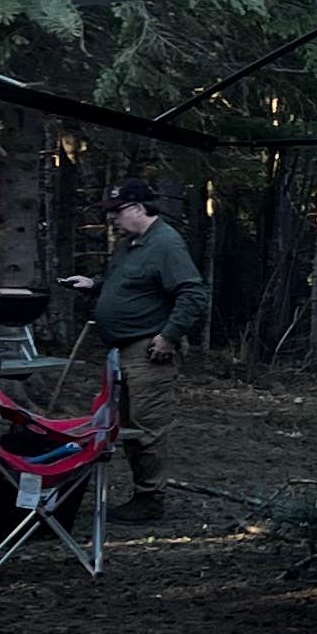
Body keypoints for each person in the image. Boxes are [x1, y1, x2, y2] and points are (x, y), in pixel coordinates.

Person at [62, 179, 208, 520]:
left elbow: (193, 294)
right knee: (128, 424)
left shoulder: (167, 244)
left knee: (148, 427)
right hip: (122, 351)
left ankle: (150, 499)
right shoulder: (131, 245)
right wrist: (94, 285)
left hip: (149, 351)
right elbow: (126, 284)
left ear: (139, 209)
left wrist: (169, 336)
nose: (112, 219)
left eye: (117, 211)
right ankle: (142, 495)